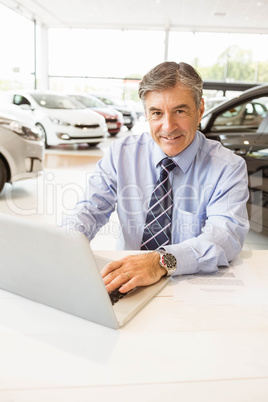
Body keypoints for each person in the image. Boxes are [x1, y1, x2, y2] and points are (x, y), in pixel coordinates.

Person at [66, 61, 249, 295]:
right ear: (146, 114)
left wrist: (161, 262)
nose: (168, 126)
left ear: (200, 110)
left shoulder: (228, 167)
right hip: (129, 282)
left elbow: (225, 237)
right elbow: (90, 209)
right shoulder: (121, 154)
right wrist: (66, 243)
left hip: (190, 285)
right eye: (157, 113)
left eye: (180, 111)